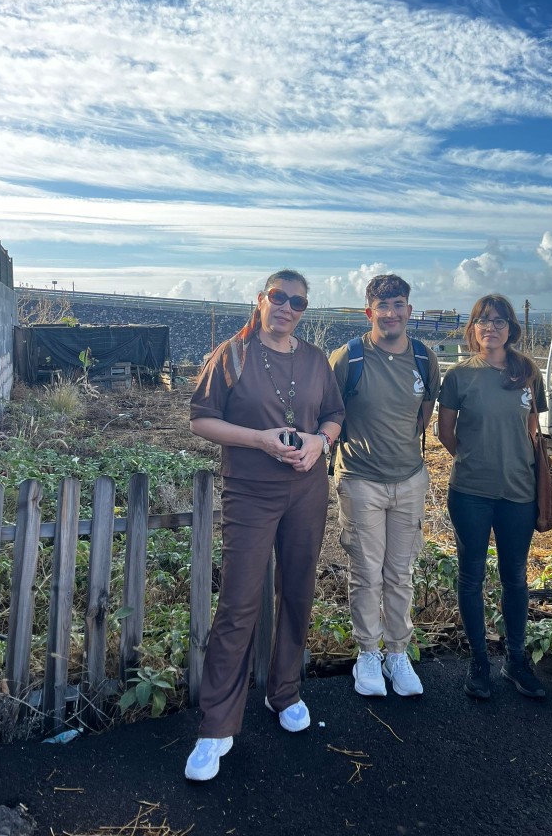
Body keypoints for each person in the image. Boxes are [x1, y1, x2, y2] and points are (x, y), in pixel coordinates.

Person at [184, 270, 344, 781]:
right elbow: (200, 419)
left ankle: (285, 693)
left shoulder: (315, 359)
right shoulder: (232, 355)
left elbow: (335, 414)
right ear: (261, 300)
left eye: (298, 302)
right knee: (239, 602)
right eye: (279, 297)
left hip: (307, 490)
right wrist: (259, 439)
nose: (288, 308)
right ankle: (216, 726)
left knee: (297, 592)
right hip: (251, 490)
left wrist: (320, 441)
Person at [329, 274, 440, 697]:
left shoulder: (424, 357)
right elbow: (330, 411)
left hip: (409, 479)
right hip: (361, 480)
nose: (391, 313)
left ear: (409, 310)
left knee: (400, 573)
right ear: (369, 312)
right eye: (382, 306)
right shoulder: (349, 357)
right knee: (366, 574)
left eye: (398, 305)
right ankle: (368, 653)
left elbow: (423, 413)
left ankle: (397, 652)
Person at [437, 294, 547, 701]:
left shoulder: (528, 372)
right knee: (471, 576)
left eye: (499, 321)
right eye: (483, 321)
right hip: (470, 492)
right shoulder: (458, 376)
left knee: (515, 577)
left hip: (519, 492)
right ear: (473, 328)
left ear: (511, 328)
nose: (491, 328)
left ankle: (515, 660)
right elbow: (445, 433)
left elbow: (532, 429)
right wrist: (475, 459)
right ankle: (479, 661)